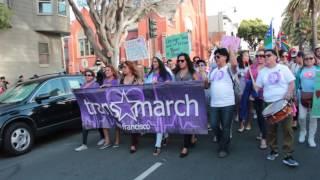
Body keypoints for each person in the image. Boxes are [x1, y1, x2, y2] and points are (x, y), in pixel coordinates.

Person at [256, 49, 299, 167]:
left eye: (268, 55)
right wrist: (254, 82)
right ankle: (273, 150)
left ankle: (288, 155)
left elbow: (291, 83)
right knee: (271, 131)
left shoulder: (283, 68)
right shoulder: (262, 72)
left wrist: (289, 93)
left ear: (275, 57)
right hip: (269, 104)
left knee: (287, 129)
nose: (266, 57)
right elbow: (257, 88)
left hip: (284, 103)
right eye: (264, 56)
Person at [207, 48, 237, 158]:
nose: (216, 59)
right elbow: (207, 85)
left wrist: (230, 49)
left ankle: (223, 147)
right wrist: (203, 77)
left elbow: (234, 63)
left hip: (228, 103)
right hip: (214, 104)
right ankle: (224, 141)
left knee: (226, 126)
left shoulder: (229, 68)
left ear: (225, 57)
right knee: (214, 125)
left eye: (218, 56)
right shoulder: (213, 71)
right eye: (215, 57)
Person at [145, 57, 172, 156]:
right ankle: (166, 135)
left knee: (159, 121)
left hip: (163, 100)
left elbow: (170, 84)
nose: (153, 63)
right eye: (152, 62)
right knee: (158, 121)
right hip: (152, 101)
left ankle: (157, 145)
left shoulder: (165, 73)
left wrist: (161, 83)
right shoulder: (149, 74)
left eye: (155, 61)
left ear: (159, 63)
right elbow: (145, 85)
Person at [174, 53, 199, 158]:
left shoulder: (192, 72)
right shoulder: (176, 72)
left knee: (187, 123)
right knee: (183, 122)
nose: (180, 62)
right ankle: (193, 136)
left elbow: (198, 84)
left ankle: (185, 147)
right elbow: (172, 84)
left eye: (182, 60)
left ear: (187, 61)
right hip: (179, 102)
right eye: (178, 61)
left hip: (190, 101)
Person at [75, 69, 106, 152]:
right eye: (86, 75)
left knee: (98, 123)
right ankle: (84, 144)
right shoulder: (83, 85)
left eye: (89, 75)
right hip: (86, 108)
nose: (87, 77)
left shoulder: (95, 84)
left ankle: (103, 137)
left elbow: (97, 95)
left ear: (93, 76)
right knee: (85, 124)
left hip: (94, 107)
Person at [245, 49, 267, 149]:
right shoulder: (252, 67)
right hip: (257, 95)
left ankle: (264, 138)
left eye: (262, 56)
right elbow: (246, 78)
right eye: (257, 56)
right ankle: (263, 132)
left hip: (268, 96)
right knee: (259, 116)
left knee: (265, 117)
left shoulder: (269, 67)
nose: (259, 58)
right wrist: (250, 83)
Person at [120, 61, 143, 154]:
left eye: (125, 67)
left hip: (136, 104)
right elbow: (117, 89)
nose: (123, 69)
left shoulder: (136, 78)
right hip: (126, 104)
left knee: (134, 123)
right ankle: (136, 137)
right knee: (130, 123)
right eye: (122, 67)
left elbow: (141, 89)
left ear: (130, 68)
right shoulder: (122, 79)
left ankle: (133, 144)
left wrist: (140, 85)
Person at [296, 52, 318, 147]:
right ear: (303, 60)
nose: (309, 60)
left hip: (316, 97)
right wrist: (295, 96)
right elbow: (297, 84)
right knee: (301, 117)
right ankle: (303, 131)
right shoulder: (300, 70)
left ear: (314, 59)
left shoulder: (318, 69)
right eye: (306, 59)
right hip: (303, 95)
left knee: (313, 118)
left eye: (311, 58)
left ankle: (311, 138)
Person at [99, 65, 121, 149]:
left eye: (108, 70)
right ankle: (107, 141)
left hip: (115, 104)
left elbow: (118, 90)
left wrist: (109, 86)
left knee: (116, 123)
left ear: (112, 71)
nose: (106, 72)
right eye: (105, 70)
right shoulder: (104, 80)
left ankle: (117, 140)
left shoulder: (116, 80)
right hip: (105, 104)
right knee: (104, 123)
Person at [237, 51, 253, 132]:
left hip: (249, 89)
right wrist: (239, 75)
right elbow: (235, 76)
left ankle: (249, 123)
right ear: (241, 57)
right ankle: (241, 124)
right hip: (240, 89)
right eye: (245, 55)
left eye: (248, 55)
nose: (247, 57)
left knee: (249, 107)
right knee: (241, 107)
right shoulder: (237, 66)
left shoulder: (251, 66)